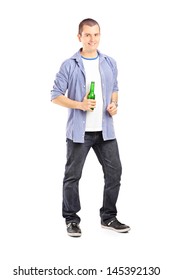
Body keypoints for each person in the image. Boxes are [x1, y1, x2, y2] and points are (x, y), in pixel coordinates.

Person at [50, 18, 130, 237]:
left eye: (96, 34)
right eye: (87, 35)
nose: (92, 39)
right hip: (79, 132)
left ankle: (109, 217)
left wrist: (114, 104)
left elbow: (114, 88)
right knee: (72, 176)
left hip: (105, 130)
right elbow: (55, 95)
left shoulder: (109, 62)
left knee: (115, 173)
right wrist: (80, 105)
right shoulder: (69, 64)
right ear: (79, 37)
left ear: (100, 36)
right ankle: (71, 219)